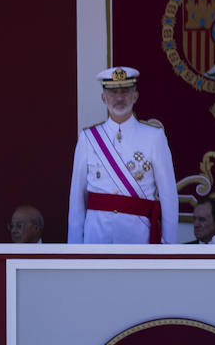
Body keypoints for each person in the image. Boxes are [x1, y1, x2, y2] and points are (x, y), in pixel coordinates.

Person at [67, 66, 178, 244]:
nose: (119, 98)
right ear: (104, 98)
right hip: (96, 234)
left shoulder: (154, 137)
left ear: (135, 96)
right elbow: (77, 197)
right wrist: (75, 245)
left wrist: (168, 246)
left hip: (138, 235)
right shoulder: (88, 138)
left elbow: (168, 196)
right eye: (113, 92)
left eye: (125, 91)